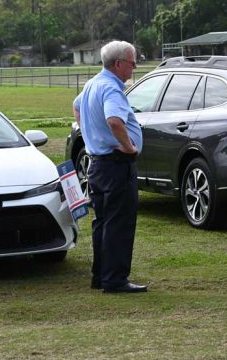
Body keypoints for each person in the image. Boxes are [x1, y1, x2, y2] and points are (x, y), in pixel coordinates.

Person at [72, 40, 147, 293]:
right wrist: (128, 147)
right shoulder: (112, 89)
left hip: (98, 165)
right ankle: (115, 279)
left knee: (102, 222)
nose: (134, 67)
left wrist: (89, 134)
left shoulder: (94, 83)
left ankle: (100, 275)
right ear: (118, 64)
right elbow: (114, 120)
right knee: (119, 223)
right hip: (116, 165)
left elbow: (76, 105)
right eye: (132, 62)